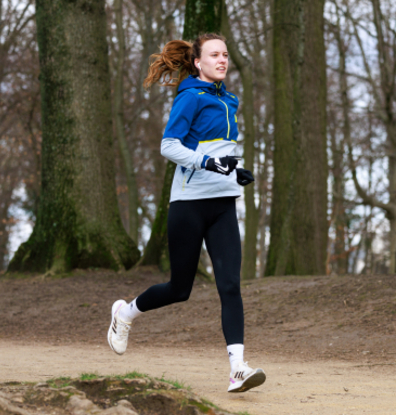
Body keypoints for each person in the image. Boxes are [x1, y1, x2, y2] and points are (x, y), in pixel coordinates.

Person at [107, 33, 264, 394]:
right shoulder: (190, 97)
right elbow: (169, 146)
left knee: (230, 286)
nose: (222, 60)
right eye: (214, 55)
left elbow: (220, 150)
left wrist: (233, 170)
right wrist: (211, 163)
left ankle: (237, 369)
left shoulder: (228, 100)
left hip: (223, 204)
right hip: (188, 204)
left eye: (225, 54)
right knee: (180, 289)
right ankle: (125, 314)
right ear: (198, 62)